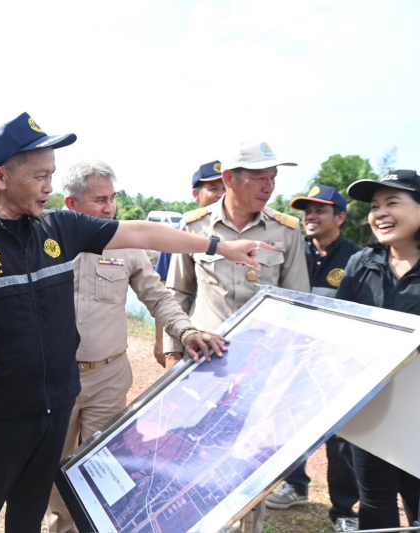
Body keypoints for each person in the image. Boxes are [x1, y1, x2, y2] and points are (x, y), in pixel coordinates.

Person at [0, 112, 266, 533]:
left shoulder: (60, 228)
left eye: (52, 175)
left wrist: (219, 246)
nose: (48, 186)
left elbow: (142, 234)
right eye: (39, 176)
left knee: (29, 514)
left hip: (56, 407)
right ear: (0, 177)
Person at [44, 160, 225, 532]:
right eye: (100, 200)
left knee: (101, 465)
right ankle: (61, 526)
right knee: (54, 464)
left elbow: (157, 296)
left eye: (112, 198)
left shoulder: (126, 243)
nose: (110, 208)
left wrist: (186, 331)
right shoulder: (47, 240)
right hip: (56, 379)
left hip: (108, 378)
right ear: (72, 203)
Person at [262, 185, 361, 532]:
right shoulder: (295, 251)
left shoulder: (357, 259)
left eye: (320, 210)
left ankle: (344, 509)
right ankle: (296, 484)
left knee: (340, 439)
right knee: (288, 421)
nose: (311, 217)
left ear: (341, 217)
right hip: (292, 355)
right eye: (307, 211)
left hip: (336, 362)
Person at [164, 142, 311, 360]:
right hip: (204, 352)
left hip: (263, 354)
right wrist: (172, 352)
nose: (269, 187)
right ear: (229, 178)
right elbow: (177, 292)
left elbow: (297, 301)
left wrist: (292, 357)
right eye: (260, 178)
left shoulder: (286, 230)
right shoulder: (194, 225)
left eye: (273, 177)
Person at [337, 169, 420, 530]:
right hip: (374, 405)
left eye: (392, 202)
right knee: (374, 500)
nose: (380, 213)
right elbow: (341, 329)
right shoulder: (361, 264)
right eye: (374, 206)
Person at [154, 161, 225, 368]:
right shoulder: (181, 233)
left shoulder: (238, 236)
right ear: (196, 195)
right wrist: (165, 345)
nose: (221, 195)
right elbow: (166, 293)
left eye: (225, 189)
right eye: (213, 189)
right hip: (195, 340)